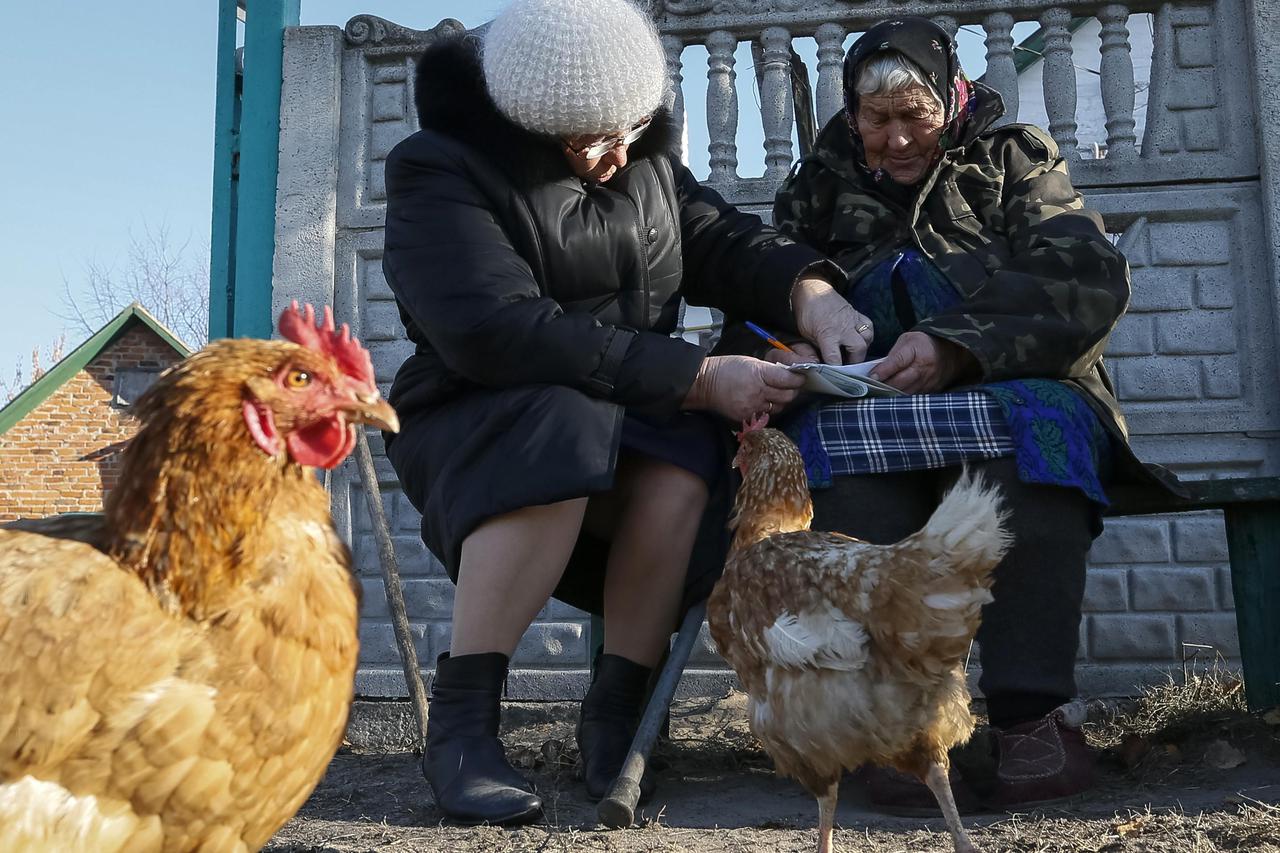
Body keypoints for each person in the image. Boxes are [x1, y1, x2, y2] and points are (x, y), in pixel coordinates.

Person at [380, 0, 866, 826]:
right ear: (530, 121)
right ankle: (462, 729)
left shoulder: (643, 162)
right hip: (484, 411)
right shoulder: (439, 168)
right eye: (586, 140)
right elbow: (493, 331)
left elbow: (722, 241)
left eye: (633, 129)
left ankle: (620, 719)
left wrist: (808, 292)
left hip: (639, 402)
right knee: (564, 433)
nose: (616, 156)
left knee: (682, 464)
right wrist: (701, 376)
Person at [731, 17, 1175, 810]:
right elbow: (761, 292)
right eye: (878, 121)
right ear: (852, 115)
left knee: (1038, 442)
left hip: (1006, 383)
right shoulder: (817, 182)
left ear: (950, 96)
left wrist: (955, 344)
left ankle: (1030, 718)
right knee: (826, 460)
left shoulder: (1014, 159)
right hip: (871, 406)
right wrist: (781, 350)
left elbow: (1084, 272)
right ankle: (889, 726)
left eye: (916, 117)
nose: (898, 139)